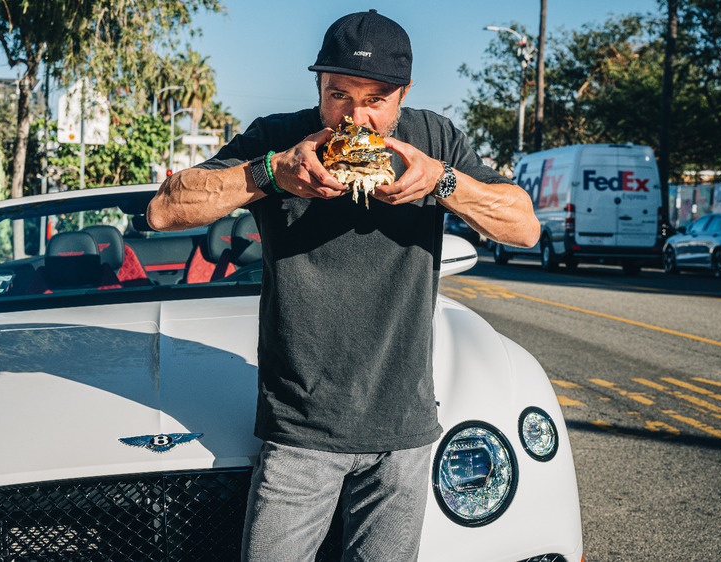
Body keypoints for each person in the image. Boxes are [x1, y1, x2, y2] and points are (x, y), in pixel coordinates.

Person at [147, 9, 539, 561]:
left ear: (403, 94)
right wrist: (269, 173)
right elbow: (164, 210)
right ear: (318, 87)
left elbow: (523, 226)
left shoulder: (435, 139)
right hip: (299, 434)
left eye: (376, 98)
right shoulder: (280, 138)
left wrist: (441, 181)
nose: (356, 117)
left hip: (403, 432)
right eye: (339, 95)